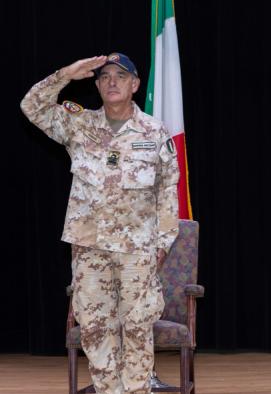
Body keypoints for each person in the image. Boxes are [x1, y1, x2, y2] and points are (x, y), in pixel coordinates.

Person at [21, 53, 179, 394]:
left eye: (121, 76)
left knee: (137, 328)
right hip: (90, 248)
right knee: (95, 328)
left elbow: (168, 191)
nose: (111, 81)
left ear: (135, 85)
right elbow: (31, 106)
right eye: (105, 76)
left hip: (138, 249)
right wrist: (65, 74)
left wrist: (163, 243)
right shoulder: (79, 125)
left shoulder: (154, 131)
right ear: (96, 85)